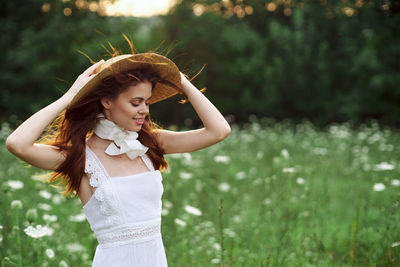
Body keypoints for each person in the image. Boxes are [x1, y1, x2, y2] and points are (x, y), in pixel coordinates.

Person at [5, 51, 231, 266]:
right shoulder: (81, 157)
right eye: (136, 102)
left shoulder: (150, 145)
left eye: (147, 102)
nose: (144, 110)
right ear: (107, 101)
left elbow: (219, 130)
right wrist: (70, 96)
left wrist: (181, 82)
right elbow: (17, 144)